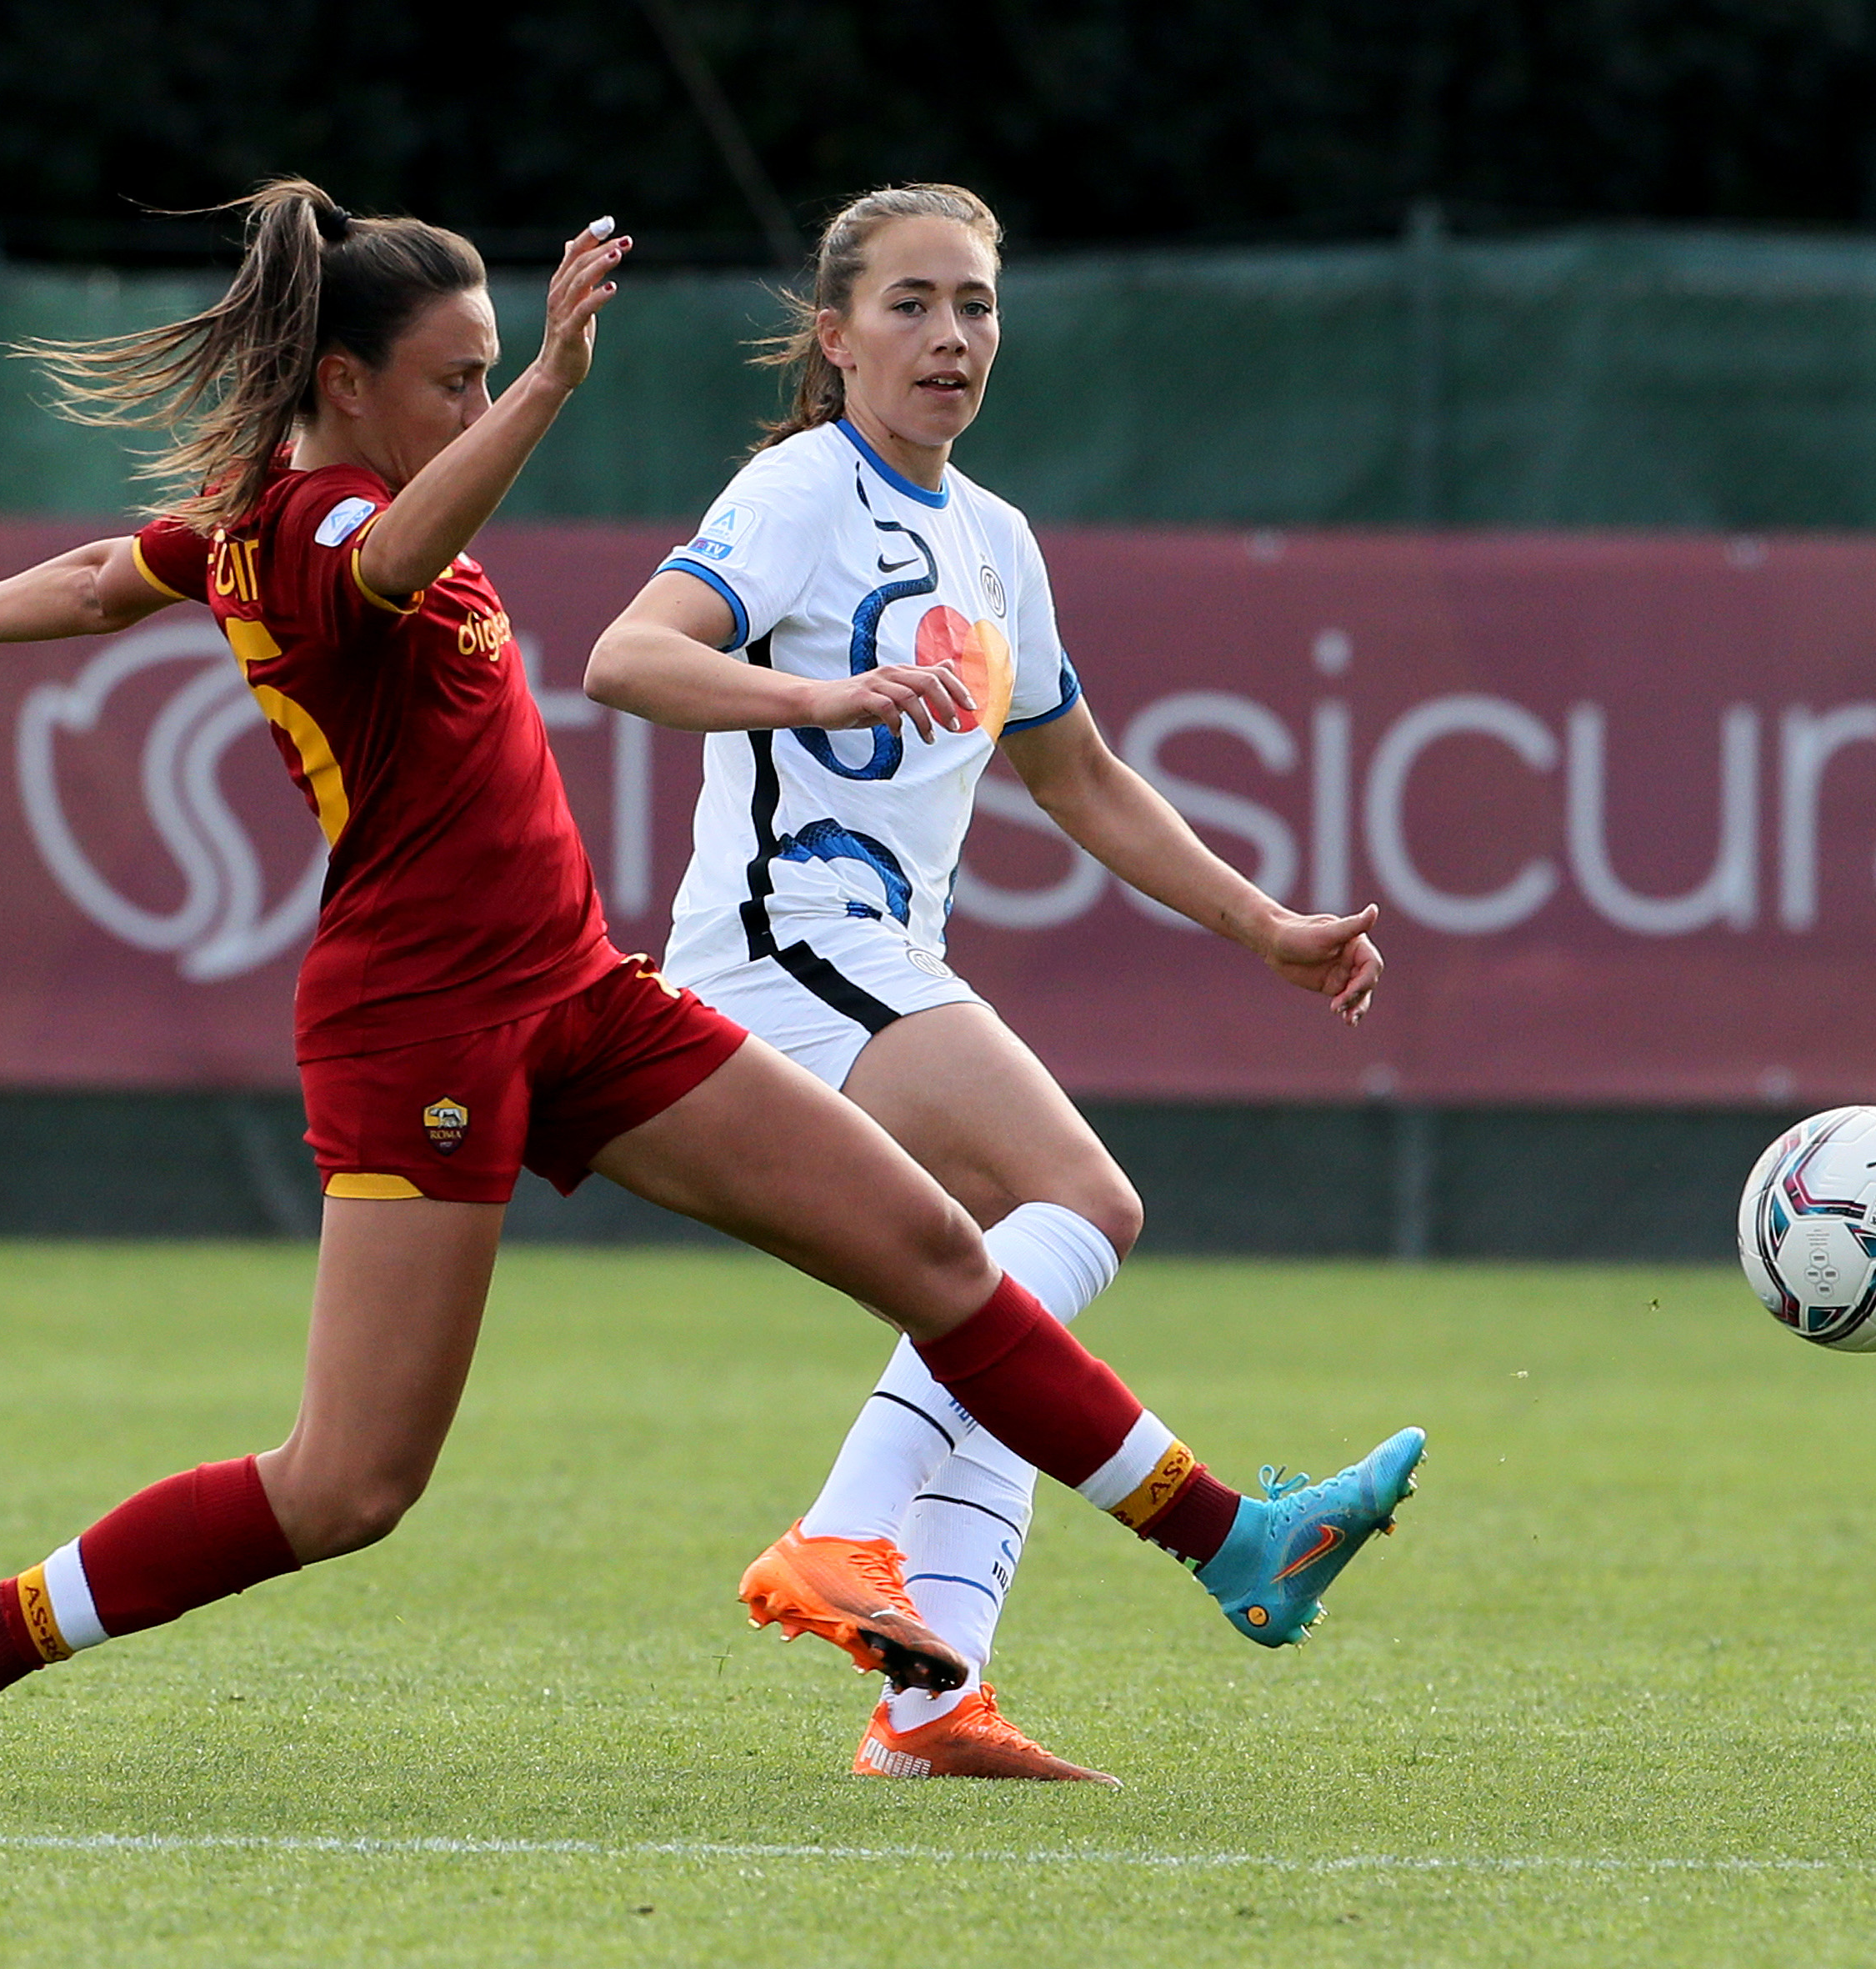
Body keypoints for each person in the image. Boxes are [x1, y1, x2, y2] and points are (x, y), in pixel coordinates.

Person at [0, 178, 1423, 1795]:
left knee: (946, 1250)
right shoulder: (320, 536)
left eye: (487, 369)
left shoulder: (255, 526)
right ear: (346, 386)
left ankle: (1228, 1542)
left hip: (581, 990)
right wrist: (546, 389)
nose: (471, 399)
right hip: (421, 1022)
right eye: (450, 375)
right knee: (348, 1483)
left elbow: (108, 570)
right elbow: (397, 552)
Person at [586, 184, 1408, 1786]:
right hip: (778, 942)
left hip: (879, 952)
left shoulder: (996, 539)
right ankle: (841, 1531)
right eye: (910, 304)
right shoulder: (801, 487)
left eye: (974, 304)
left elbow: (1083, 778)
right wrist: (816, 686)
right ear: (834, 336)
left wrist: (1267, 926)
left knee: (1001, 1275)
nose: (951, 335)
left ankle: (931, 1702)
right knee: (1083, 1206)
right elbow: (627, 656)